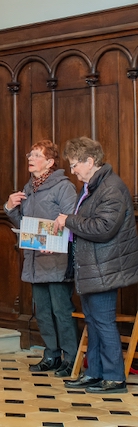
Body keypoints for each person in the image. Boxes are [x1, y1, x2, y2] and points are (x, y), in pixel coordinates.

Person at [53, 136, 138, 394]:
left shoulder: (111, 188)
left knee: (103, 322)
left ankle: (115, 378)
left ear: (90, 161)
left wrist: (69, 220)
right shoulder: (91, 187)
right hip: (92, 266)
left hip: (105, 267)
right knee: (93, 321)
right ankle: (95, 373)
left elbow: (103, 228)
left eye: (75, 164)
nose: (72, 170)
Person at [5, 140, 79, 377]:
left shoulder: (63, 187)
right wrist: (10, 207)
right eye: (30, 154)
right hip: (35, 261)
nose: (30, 158)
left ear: (50, 162)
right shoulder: (28, 189)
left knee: (61, 311)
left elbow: (72, 220)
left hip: (57, 260)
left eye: (37, 155)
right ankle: (51, 355)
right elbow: (23, 225)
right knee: (43, 312)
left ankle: (71, 358)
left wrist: (53, 239)